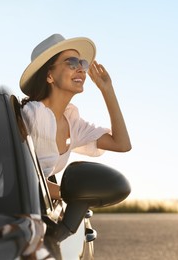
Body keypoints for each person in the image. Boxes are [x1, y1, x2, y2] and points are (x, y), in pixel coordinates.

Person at [20, 34, 131, 200]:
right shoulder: (32, 114)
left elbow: (122, 144)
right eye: (71, 63)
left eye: (82, 63)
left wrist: (107, 90)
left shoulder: (72, 123)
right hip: (2, 202)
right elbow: (22, 177)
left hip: (31, 206)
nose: (80, 69)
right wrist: (70, 195)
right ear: (49, 75)